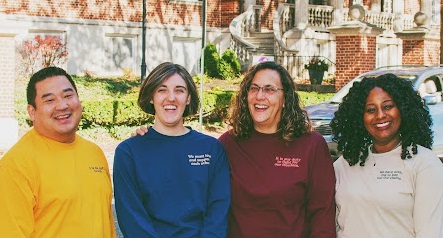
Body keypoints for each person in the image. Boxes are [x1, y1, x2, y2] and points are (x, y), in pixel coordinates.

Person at [113, 62, 231, 237]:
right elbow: (132, 218)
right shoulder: (129, 152)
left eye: (179, 90)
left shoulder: (211, 149)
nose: (171, 98)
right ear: (151, 97)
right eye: (162, 90)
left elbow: (218, 211)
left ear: (188, 97)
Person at [219, 61, 336, 237]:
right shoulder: (228, 144)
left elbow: (322, 217)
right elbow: (213, 209)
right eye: (254, 88)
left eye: (269, 89)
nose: (259, 96)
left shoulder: (311, 145)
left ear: (285, 99)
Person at [0, 67, 116, 237]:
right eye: (49, 100)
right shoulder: (15, 167)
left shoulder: (94, 153)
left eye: (68, 96)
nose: (62, 105)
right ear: (32, 112)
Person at [330, 73, 443, 237]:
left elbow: (430, 232)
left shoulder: (424, 164)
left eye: (388, 106)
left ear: (404, 109)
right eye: (370, 109)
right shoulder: (345, 164)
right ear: (359, 117)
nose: (380, 115)